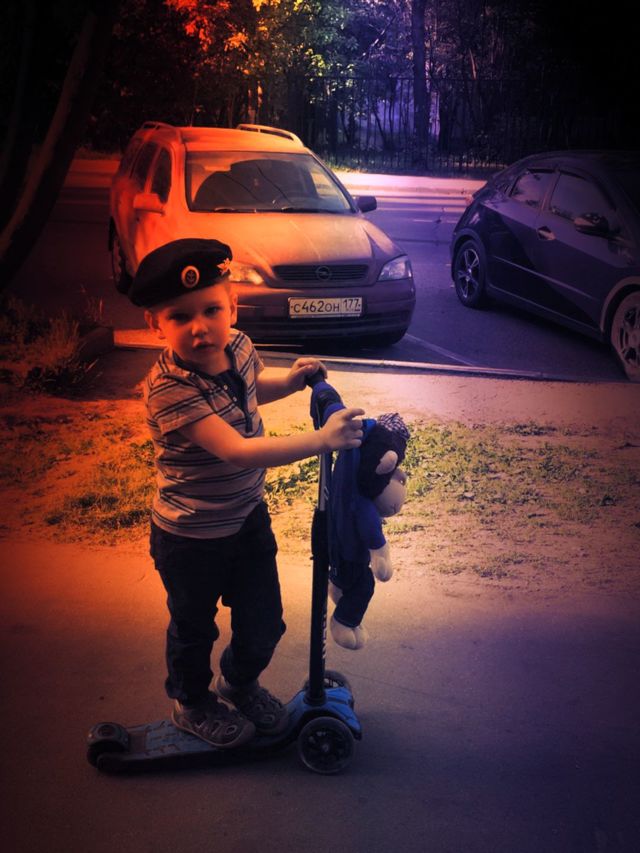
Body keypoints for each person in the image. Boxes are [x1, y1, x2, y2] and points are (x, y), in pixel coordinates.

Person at [128, 238, 364, 749]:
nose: (200, 327)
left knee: (265, 622)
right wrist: (322, 441)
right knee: (194, 628)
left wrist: (293, 381)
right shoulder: (170, 389)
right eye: (180, 316)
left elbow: (254, 385)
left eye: (211, 310)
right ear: (155, 324)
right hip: (190, 535)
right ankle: (191, 702)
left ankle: (236, 683)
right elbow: (237, 451)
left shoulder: (238, 346)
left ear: (232, 307)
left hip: (246, 518)